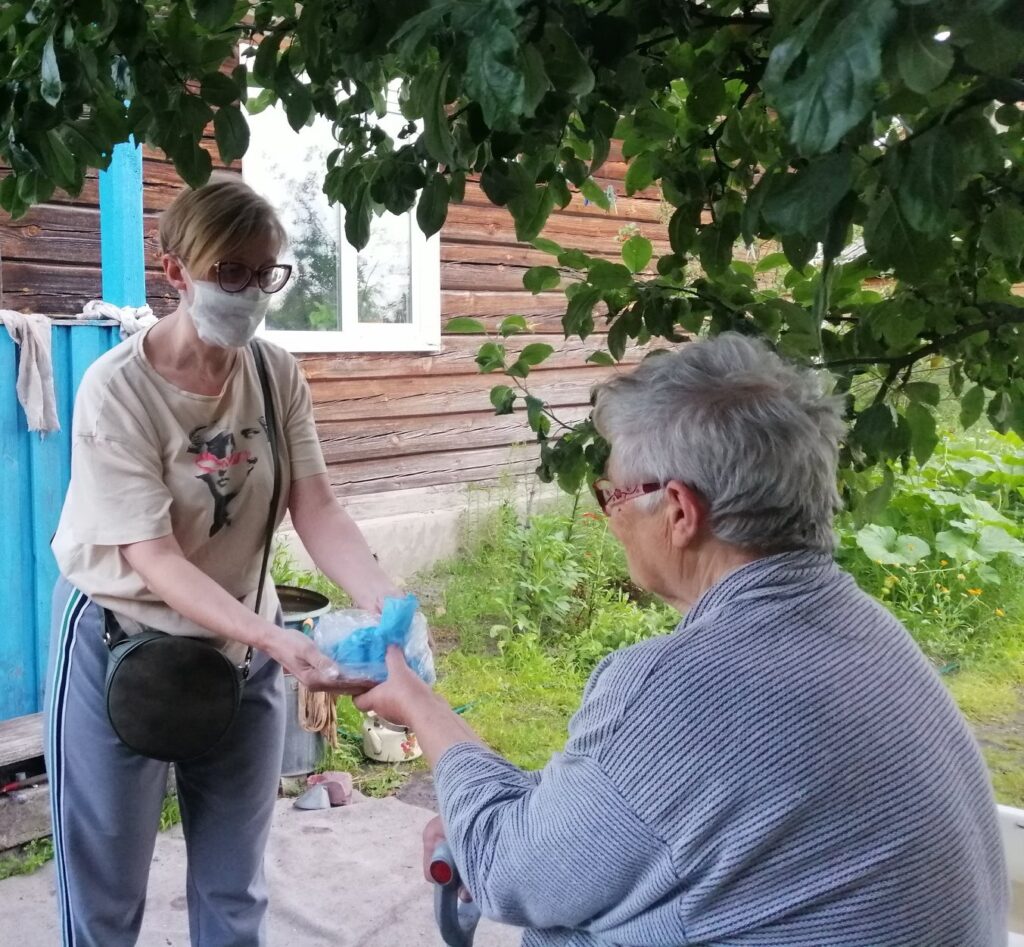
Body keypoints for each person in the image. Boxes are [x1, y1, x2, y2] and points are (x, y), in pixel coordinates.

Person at [356, 333, 1009, 946]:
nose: (608, 515)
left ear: (678, 510)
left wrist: (422, 707)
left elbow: (507, 872)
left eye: (612, 493)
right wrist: (500, 821)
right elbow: (634, 812)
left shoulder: (684, 684)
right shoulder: (866, 627)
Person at [45, 174, 398, 947]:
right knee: (103, 890)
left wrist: (387, 598)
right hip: (123, 646)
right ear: (175, 270)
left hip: (243, 650)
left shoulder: (274, 374)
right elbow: (155, 558)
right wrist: (281, 640)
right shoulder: (119, 391)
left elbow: (318, 507)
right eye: (228, 272)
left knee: (234, 886)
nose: (249, 292)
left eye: (265, 272)